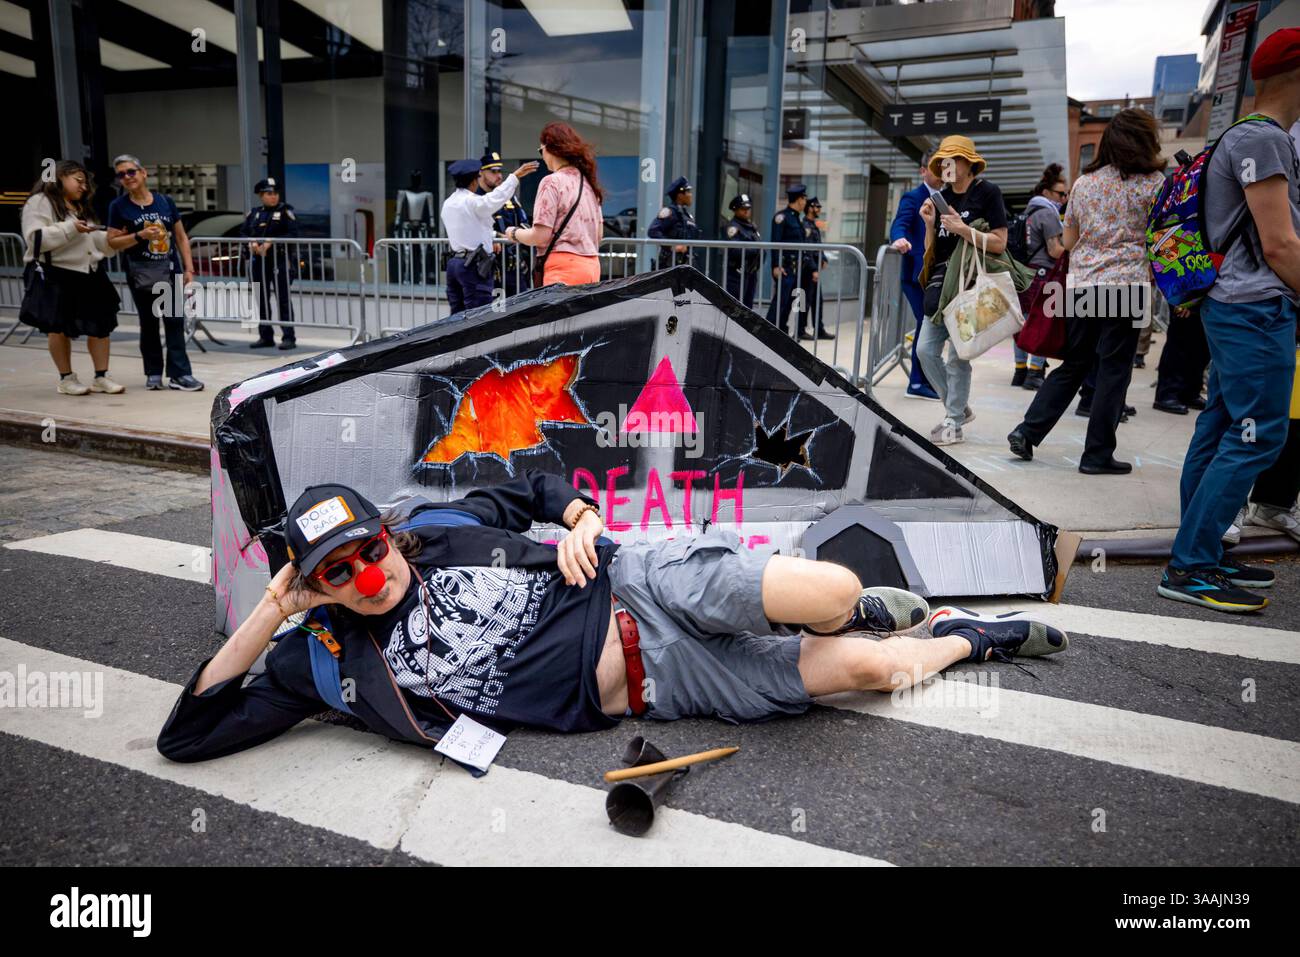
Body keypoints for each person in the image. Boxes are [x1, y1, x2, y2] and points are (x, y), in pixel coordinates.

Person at [155, 472, 1068, 764]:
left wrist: (583, 519)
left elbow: (540, 482)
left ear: (387, 533)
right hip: (660, 684)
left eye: (368, 551)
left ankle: (862, 605)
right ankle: (966, 632)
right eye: (335, 575)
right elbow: (186, 735)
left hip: (643, 583)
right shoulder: (322, 659)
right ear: (317, 585)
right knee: (870, 674)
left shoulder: (443, 525)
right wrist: (273, 608)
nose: (364, 577)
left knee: (829, 596)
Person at [1158, 28, 1300, 613]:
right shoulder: (1265, 142)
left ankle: (1203, 551)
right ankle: (1191, 564)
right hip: (1256, 307)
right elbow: (1281, 245)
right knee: (1256, 433)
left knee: (1221, 427)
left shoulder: (1246, 137)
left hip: (1232, 304)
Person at [1006, 109, 1165, 473]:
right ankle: (1096, 456)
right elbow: (1161, 239)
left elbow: (1069, 240)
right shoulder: (1155, 183)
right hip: (1129, 288)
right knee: (1113, 372)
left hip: (1082, 287)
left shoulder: (1084, 183)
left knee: (1074, 363)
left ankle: (1027, 432)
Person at [916, 135, 1010, 445]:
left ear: (968, 163)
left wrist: (962, 229)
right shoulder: (942, 197)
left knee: (958, 357)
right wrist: (931, 224)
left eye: (952, 160)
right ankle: (957, 408)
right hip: (941, 286)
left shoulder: (987, 193)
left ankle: (953, 421)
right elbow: (935, 251)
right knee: (925, 351)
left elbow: (999, 243)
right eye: (942, 161)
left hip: (971, 285)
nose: (946, 166)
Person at [20, 160, 137, 395]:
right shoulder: (40, 202)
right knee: (59, 328)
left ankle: (101, 376)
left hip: (89, 271)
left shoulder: (79, 206)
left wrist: (115, 238)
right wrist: (71, 228)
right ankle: (66, 378)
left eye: (86, 183)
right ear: (60, 177)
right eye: (78, 181)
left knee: (101, 324)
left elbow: (92, 242)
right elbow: (35, 239)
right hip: (58, 273)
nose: (83, 187)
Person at [106, 155, 204, 391]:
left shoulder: (164, 201)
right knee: (148, 324)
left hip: (169, 270)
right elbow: (112, 242)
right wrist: (140, 236)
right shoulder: (118, 207)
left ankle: (180, 374)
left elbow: (180, 236)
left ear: (143, 173)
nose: (127, 178)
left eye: (130, 172)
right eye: (121, 175)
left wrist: (189, 268)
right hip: (141, 273)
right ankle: (152, 373)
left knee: (174, 322)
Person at [507, 122, 603, 287]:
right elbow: (598, 234)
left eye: (541, 150)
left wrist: (514, 233)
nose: (542, 155)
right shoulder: (587, 183)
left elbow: (540, 236)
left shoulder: (551, 182)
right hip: (592, 267)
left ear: (549, 149)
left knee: (558, 314)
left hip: (563, 269)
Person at [441, 156, 538, 313]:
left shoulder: (449, 203)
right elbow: (494, 199)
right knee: (479, 315)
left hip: (455, 264)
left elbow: (474, 227)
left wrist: (493, 235)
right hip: (473, 266)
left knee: (457, 316)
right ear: (474, 181)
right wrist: (514, 177)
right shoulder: (472, 202)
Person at [888, 152, 942, 400]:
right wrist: (899, 238)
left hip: (938, 275)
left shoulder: (947, 199)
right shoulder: (913, 197)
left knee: (932, 326)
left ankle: (925, 378)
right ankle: (918, 382)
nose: (942, 171)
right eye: (935, 167)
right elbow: (901, 222)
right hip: (916, 275)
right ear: (923, 171)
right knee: (926, 323)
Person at [1014, 164, 1070, 390]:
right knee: (1041, 323)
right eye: (1060, 194)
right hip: (1043, 275)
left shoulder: (1028, 211)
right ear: (1046, 193)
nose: (1064, 198)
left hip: (1024, 274)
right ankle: (1035, 372)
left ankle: (1019, 371)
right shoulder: (1048, 213)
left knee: (1021, 322)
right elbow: (1054, 250)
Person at [240, 177, 299, 350]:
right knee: (261, 298)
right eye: (269, 194)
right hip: (259, 261)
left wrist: (272, 241)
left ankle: (289, 337)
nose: (273, 197)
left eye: (275, 193)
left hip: (279, 261)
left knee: (283, 299)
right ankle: (265, 336)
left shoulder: (285, 212)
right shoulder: (254, 213)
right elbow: (243, 232)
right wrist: (251, 242)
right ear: (261, 195)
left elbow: (294, 234)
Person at [480, 152, 531, 297]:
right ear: (481, 172)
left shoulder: (509, 197)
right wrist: (495, 236)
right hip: (491, 268)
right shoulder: (476, 199)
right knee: (498, 312)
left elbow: (524, 222)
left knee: (522, 310)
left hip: (514, 266)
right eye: (493, 172)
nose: (499, 176)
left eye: (499, 171)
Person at [1153, 303, 1210, 414]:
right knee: (1179, 343)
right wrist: (1184, 300)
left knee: (1200, 347)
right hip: (1185, 293)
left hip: (1206, 297)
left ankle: (1189, 393)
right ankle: (1167, 393)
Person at [766, 183, 807, 334]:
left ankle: (781, 332)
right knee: (780, 303)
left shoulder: (796, 219)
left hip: (797, 269)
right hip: (786, 268)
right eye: (804, 199)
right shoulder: (781, 217)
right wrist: (775, 266)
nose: (805, 203)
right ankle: (767, 332)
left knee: (790, 303)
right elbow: (776, 242)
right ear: (799, 200)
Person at [647, 177, 701, 269]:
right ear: (680, 195)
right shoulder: (670, 212)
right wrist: (672, 246)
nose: (690, 195)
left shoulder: (686, 215)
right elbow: (653, 231)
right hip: (670, 264)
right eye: (688, 192)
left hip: (685, 263)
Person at [799, 197, 833, 340]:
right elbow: (807, 250)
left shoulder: (814, 225)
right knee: (804, 301)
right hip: (808, 269)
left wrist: (823, 259)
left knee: (817, 301)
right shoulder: (805, 225)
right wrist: (813, 268)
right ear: (810, 208)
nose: (819, 209)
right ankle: (800, 330)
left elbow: (818, 246)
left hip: (815, 269)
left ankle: (819, 329)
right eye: (817, 207)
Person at [723, 193, 761, 310]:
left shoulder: (751, 226)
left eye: (748, 208)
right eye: (743, 209)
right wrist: (754, 250)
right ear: (735, 210)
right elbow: (735, 250)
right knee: (736, 307)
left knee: (748, 307)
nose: (746, 211)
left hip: (751, 272)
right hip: (737, 273)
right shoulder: (733, 227)